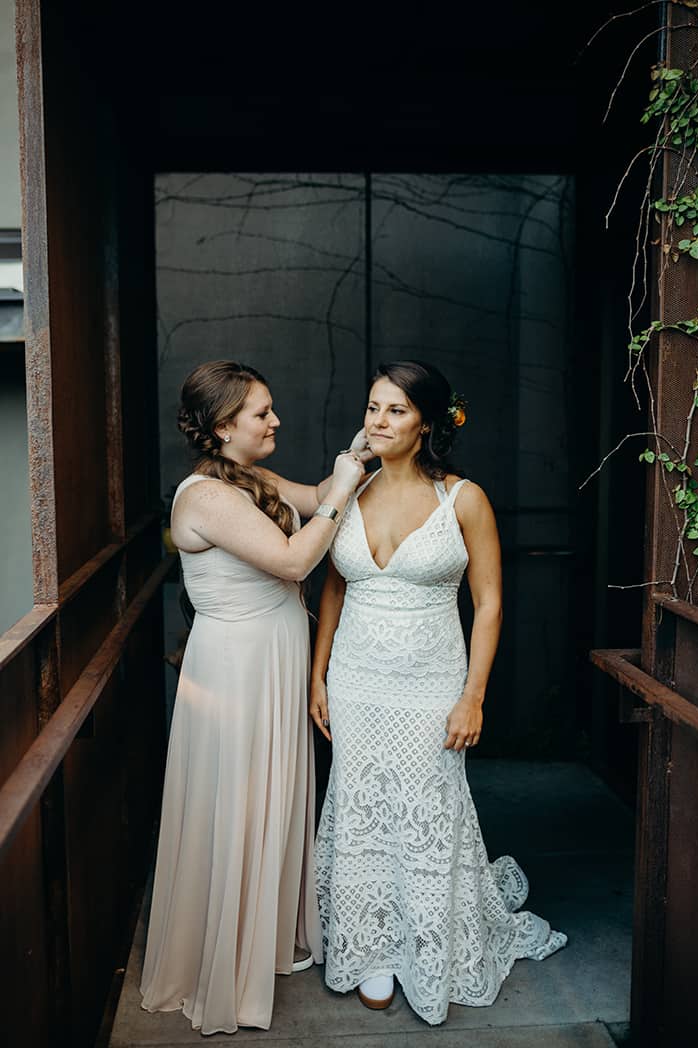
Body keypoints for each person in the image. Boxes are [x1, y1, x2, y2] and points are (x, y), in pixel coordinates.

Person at [310, 359, 567, 1025]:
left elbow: (488, 605)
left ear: (425, 423)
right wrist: (318, 673)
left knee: (427, 812)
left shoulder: (464, 498)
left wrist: (472, 696)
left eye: (394, 410)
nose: (378, 420)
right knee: (361, 806)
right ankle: (372, 951)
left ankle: (427, 946)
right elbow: (334, 586)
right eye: (372, 407)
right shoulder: (352, 491)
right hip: (357, 681)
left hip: (430, 687)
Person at [140, 360, 365, 1035]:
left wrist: (352, 460)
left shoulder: (250, 478)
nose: (275, 421)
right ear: (220, 425)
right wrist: (341, 494)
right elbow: (296, 559)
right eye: (260, 413)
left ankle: (261, 940)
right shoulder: (204, 498)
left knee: (271, 794)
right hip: (236, 671)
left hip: (271, 660)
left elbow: (320, 493)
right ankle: (223, 962)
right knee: (236, 800)